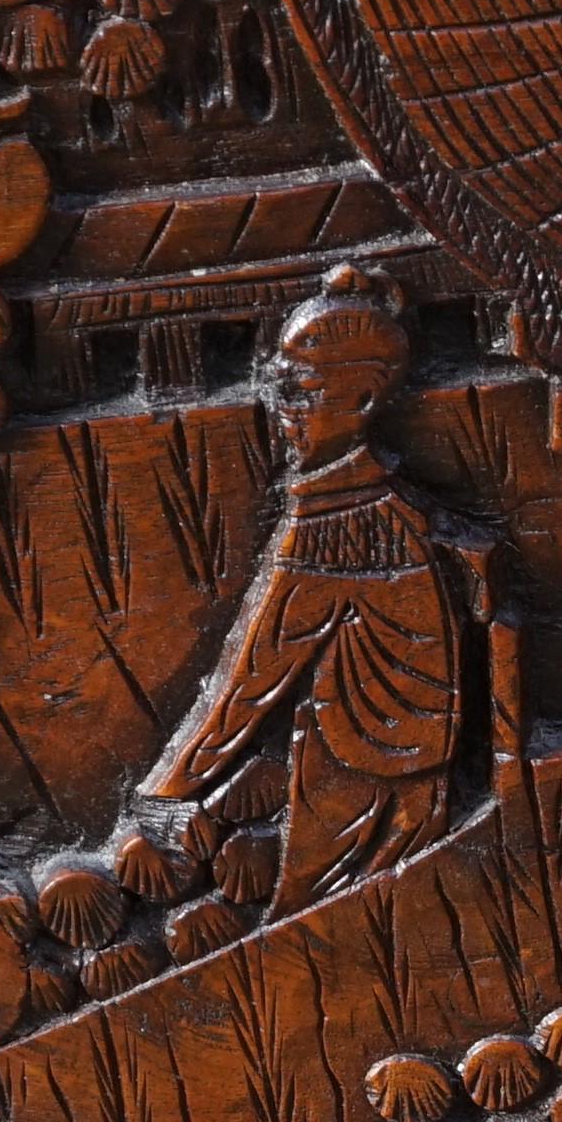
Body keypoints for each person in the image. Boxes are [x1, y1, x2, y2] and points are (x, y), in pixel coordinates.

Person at [139, 266, 475, 908]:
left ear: (365, 401)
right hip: (385, 760)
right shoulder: (385, 503)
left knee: (319, 918)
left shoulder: (339, 518)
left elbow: (255, 673)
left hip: (366, 773)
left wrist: (164, 793)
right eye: (277, 390)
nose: (281, 411)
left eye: (302, 391)